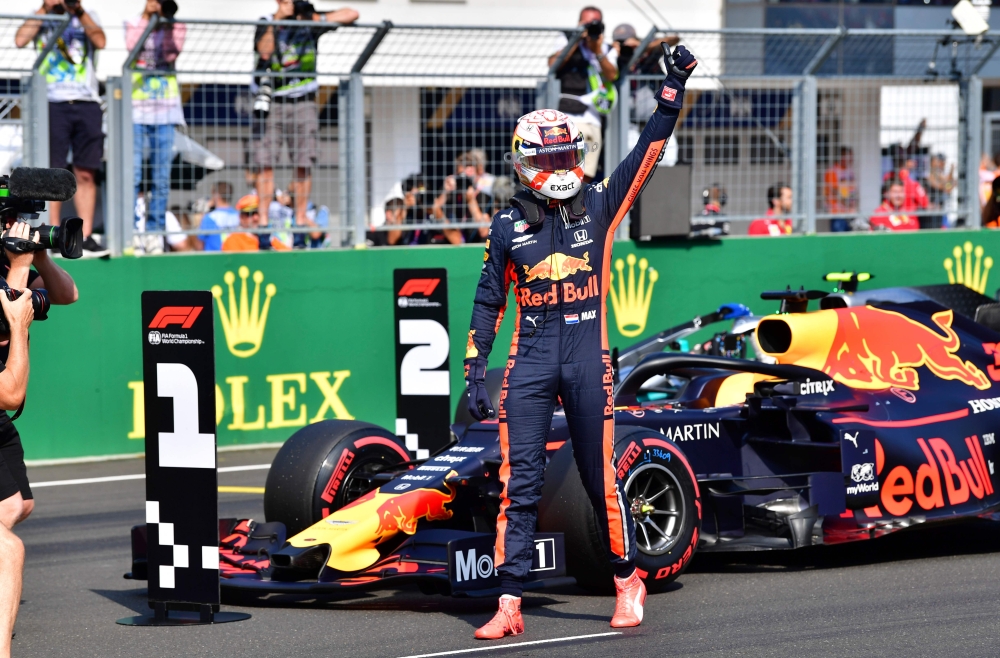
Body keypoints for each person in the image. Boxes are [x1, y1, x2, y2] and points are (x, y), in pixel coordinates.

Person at [464, 43, 697, 640]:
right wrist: (472, 370)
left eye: (569, 149)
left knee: (599, 479)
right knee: (520, 487)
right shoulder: (505, 225)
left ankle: (627, 579)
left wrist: (670, 89)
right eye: (554, 153)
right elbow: (489, 300)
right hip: (530, 363)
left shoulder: (600, 203)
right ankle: (510, 600)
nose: (566, 161)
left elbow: (648, 152)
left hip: (589, 358)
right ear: (526, 162)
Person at [253, 0, 358, 245]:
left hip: (304, 102)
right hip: (273, 102)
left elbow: (352, 13)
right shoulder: (267, 22)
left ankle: (300, 221)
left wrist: (314, 19)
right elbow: (265, 51)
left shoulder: (309, 21)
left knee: (303, 161)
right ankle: (263, 223)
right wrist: (280, 18)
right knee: (265, 162)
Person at [15, 0, 109, 258]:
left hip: (86, 100)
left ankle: (86, 236)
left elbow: (101, 42)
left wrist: (77, 10)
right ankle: (52, 235)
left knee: (87, 172)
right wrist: (47, 9)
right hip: (51, 101)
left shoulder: (87, 14)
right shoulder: (42, 15)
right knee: (53, 173)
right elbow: (20, 39)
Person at [126, 0, 186, 255]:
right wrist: (147, 17)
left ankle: (155, 232)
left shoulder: (176, 25)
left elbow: (172, 52)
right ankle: (133, 231)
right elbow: (132, 48)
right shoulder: (133, 22)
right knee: (134, 175)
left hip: (166, 111)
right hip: (137, 109)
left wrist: (164, 20)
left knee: (161, 178)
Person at [549, 6, 619, 182]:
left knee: (585, 174)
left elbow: (612, 75)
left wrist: (597, 50)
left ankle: (577, 209)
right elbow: (552, 64)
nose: (589, 28)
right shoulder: (567, 38)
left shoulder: (606, 48)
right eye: (586, 24)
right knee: (561, 171)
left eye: (594, 24)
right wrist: (575, 39)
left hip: (592, 120)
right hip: (568, 117)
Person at [222, 194, 289, 251]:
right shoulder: (233, 240)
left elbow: (288, 255)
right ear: (241, 217)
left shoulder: (268, 239)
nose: (256, 218)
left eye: (258, 213)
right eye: (250, 214)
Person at [822, 146, 857, 233]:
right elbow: (835, 192)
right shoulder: (832, 171)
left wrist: (853, 207)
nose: (851, 159)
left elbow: (853, 191)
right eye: (848, 156)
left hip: (850, 213)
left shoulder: (850, 171)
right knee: (838, 241)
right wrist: (848, 205)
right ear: (841, 157)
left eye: (851, 156)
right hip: (837, 213)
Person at [199, 182, 239, 252]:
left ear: (216, 195)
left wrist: (204, 211)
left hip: (213, 259)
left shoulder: (209, 218)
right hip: (235, 256)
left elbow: (199, 245)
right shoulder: (240, 216)